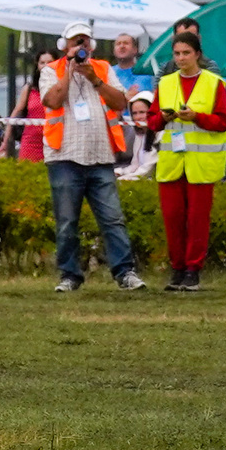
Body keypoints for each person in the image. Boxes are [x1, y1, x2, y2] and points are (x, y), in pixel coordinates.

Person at [43, 21, 145, 292]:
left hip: (100, 156)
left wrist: (93, 78)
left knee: (113, 219)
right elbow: (52, 100)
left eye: (85, 41)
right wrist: (68, 70)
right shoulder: (51, 70)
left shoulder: (103, 68)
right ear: (64, 45)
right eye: (76, 41)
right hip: (64, 156)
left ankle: (125, 273)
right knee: (67, 221)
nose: (81, 46)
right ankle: (69, 276)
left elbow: (120, 103)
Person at [145, 33, 224, 291]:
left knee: (197, 219)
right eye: (177, 54)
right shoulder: (165, 83)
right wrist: (165, 118)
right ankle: (177, 268)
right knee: (173, 218)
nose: (181, 58)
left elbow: (222, 122)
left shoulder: (215, 83)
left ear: (197, 54)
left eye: (186, 53)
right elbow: (152, 121)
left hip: (201, 163)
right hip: (172, 162)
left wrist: (197, 117)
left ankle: (193, 270)